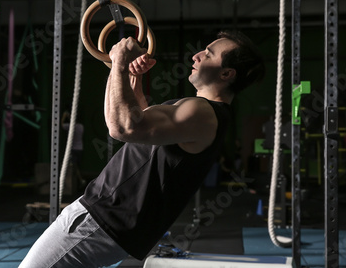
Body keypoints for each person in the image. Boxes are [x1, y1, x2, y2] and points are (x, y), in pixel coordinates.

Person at [19, 30, 265, 268]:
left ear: (226, 74)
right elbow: (137, 123)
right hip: (111, 227)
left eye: (208, 54)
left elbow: (121, 128)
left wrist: (119, 64)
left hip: (99, 222)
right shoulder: (204, 113)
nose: (196, 55)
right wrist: (129, 77)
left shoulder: (200, 111)